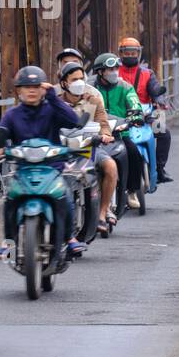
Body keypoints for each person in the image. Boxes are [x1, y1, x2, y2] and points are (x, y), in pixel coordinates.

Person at [0, 65, 86, 259]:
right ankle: (9, 243)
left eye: (37, 86)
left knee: (65, 197)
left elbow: (73, 121)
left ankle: (69, 238)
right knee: (10, 200)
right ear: (18, 90)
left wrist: (54, 98)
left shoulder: (52, 110)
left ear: (43, 89)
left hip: (52, 169)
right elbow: (1, 135)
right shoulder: (11, 115)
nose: (31, 90)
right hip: (23, 171)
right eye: (26, 86)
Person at [58, 59, 119, 235]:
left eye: (81, 79)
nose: (78, 83)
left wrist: (106, 135)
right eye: (74, 79)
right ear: (64, 83)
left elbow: (103, 122)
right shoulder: (56, 103)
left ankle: (102, 212)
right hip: (64, 151)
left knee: (110, 167)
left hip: (89, 148)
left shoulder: (93, 100)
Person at [93, 52, 146, 209]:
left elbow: (134, 103)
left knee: (134, 154)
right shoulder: (90, 88)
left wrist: (135, 116)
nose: (115, 72)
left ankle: (132, 191)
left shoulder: (125, 87)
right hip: (96, 135)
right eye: (110, 69)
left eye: (116, 68)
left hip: (120, 134)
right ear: (100, 72)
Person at [117, 37, 172, 184]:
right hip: (121, 115)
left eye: (133, 53)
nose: (130, 56)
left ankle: (160, 169)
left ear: (138, 54)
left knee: (164, 132)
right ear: (121, 54)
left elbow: (155, 89)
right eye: (126, 53)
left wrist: (160, 101)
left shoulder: (148, 73)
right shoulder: (114, 72)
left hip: (145, 113)